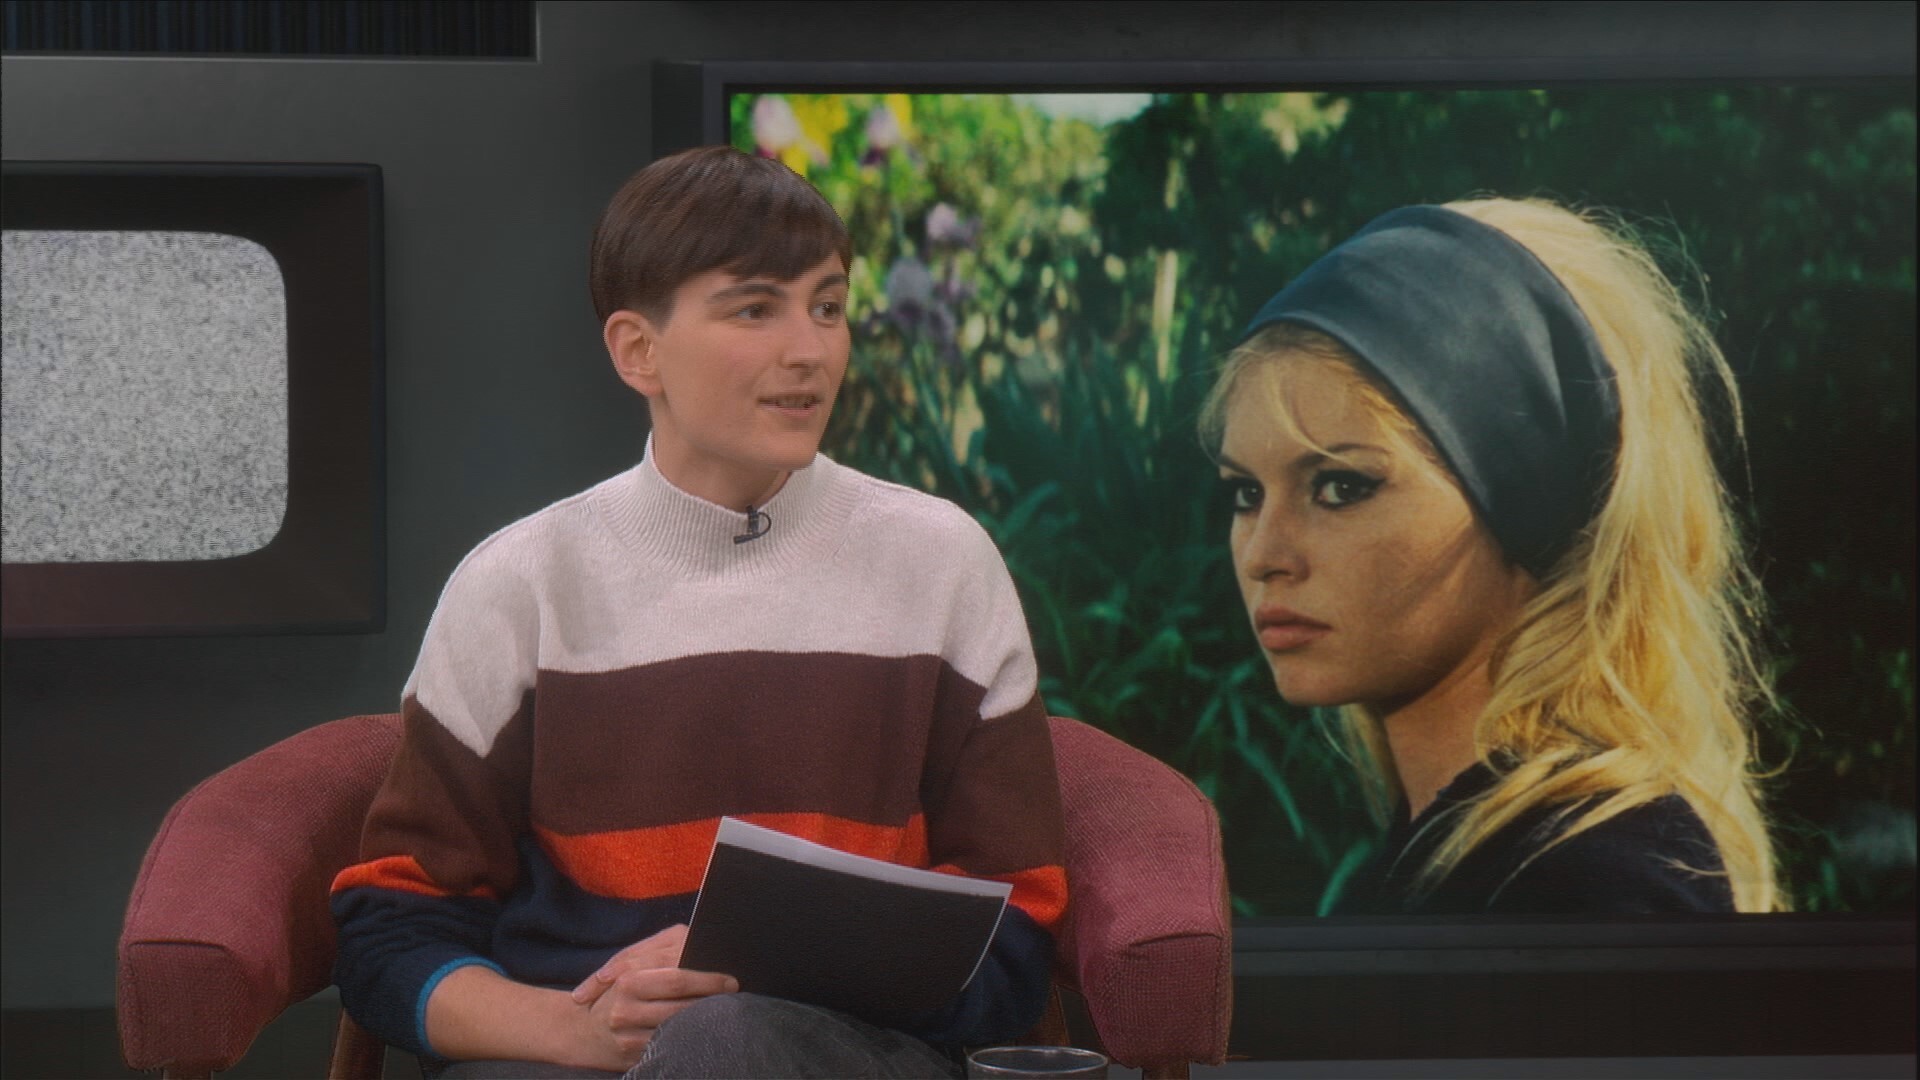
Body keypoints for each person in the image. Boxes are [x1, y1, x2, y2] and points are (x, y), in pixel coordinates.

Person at [330, 146, 1067, 1078]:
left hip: (846, 1050)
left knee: (722, 1040)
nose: (810, 350)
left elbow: (1018, 926)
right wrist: (582, 1031)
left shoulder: (940, 562)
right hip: (565, 1052)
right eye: (756, 309)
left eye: (828, 306)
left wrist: (743, 971)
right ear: (638, 351)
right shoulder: (520, 583)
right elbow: (389, 934)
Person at [1201, 198, 1783, 915]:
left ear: (1522, 499)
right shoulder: (1429, 866)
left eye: (1341, 486)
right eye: (1245, 493)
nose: (1264, 554)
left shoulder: (1596, 885)